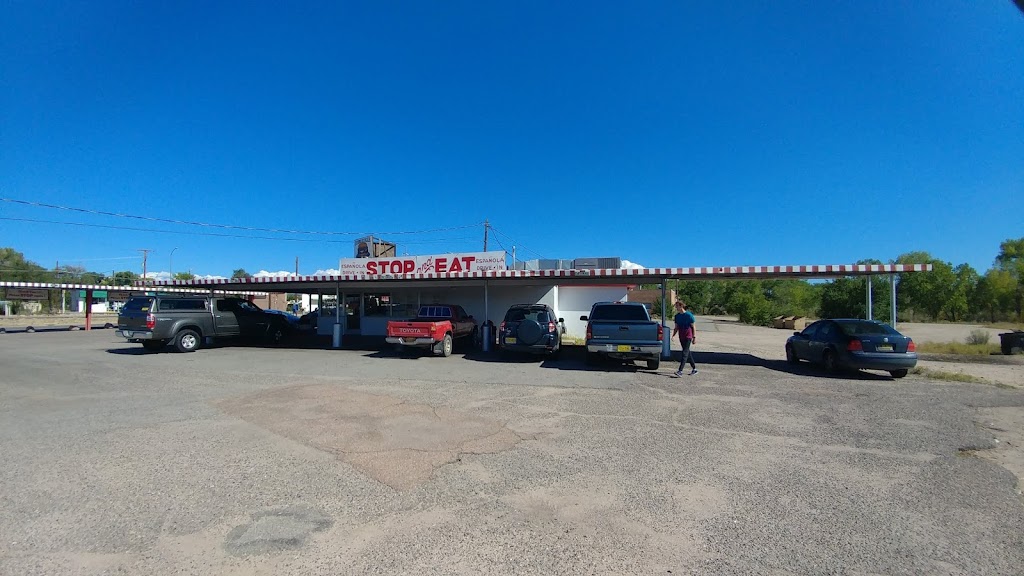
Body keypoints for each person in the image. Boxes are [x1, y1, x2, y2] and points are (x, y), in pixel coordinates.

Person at [671, 301, 698, 377]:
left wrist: (694, 337)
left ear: (681, 306)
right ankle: (694, 369)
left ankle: (680, 371)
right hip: (681, 336)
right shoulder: (677, 316)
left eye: (677, 306)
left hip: (688, 336)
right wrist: (673, 335)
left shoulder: (689, 315)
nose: (676, 308)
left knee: (684, 353)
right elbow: (676, 327)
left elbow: (693, 327)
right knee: (687, 352)